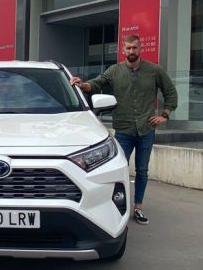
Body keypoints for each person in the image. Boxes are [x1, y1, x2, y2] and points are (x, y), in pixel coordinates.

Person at [70, 34, 177, 225]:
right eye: (128, 48)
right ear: (123, 50)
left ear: (140, 48)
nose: (131, 51)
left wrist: (164, 115)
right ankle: (117, 206)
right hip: (124, 130)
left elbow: (170, 92)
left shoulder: (154, 70)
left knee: (142, 170)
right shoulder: (115, 70)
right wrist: (82, 84)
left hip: (146, 129)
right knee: (118, 170)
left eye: (135, 48)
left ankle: (138, 207)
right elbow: (97, 83)